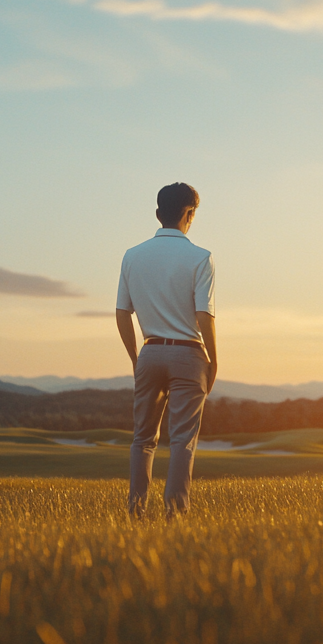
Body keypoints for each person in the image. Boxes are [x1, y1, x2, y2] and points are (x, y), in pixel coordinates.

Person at [115, 182, 218, 518]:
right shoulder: (201, 258)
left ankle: (135, 512)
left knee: (142, 439)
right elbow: (204, 313)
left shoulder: (132, 255)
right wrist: (213, 359)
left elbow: (122, 312)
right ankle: (175, 515)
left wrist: (136, 358)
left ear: (158, 214)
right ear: (190, 214)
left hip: (149, 351)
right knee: (181, 441)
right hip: (188, 354)